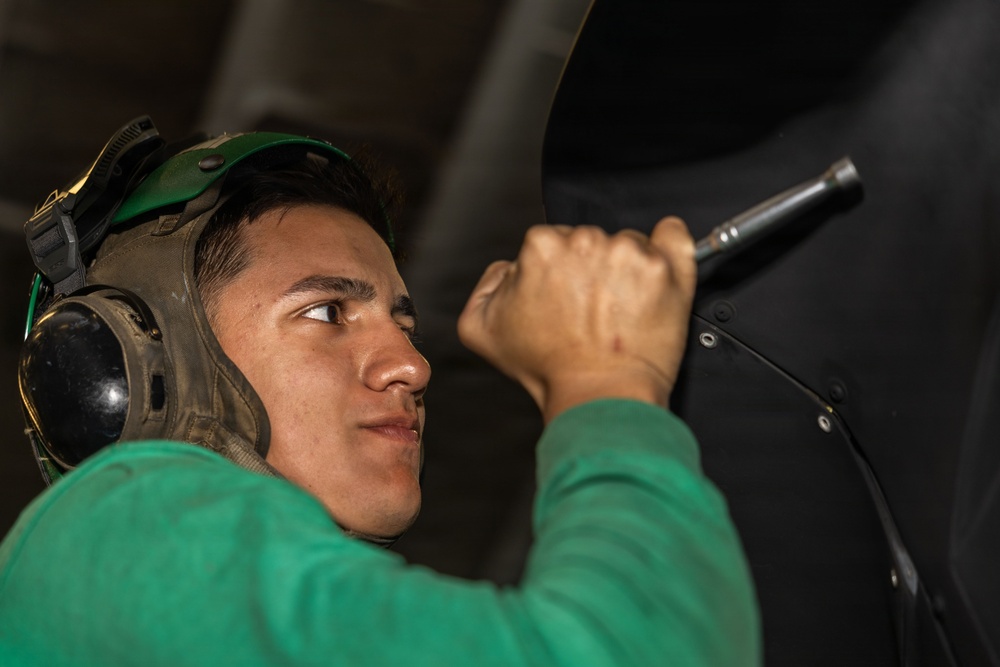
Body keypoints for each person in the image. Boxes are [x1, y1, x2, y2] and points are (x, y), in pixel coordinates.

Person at [0, 118, 760, 665]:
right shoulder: (121, 522)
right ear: (133, 364)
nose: (412, 365)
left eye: (405, 321)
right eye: (326, 312)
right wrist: (606, 378)